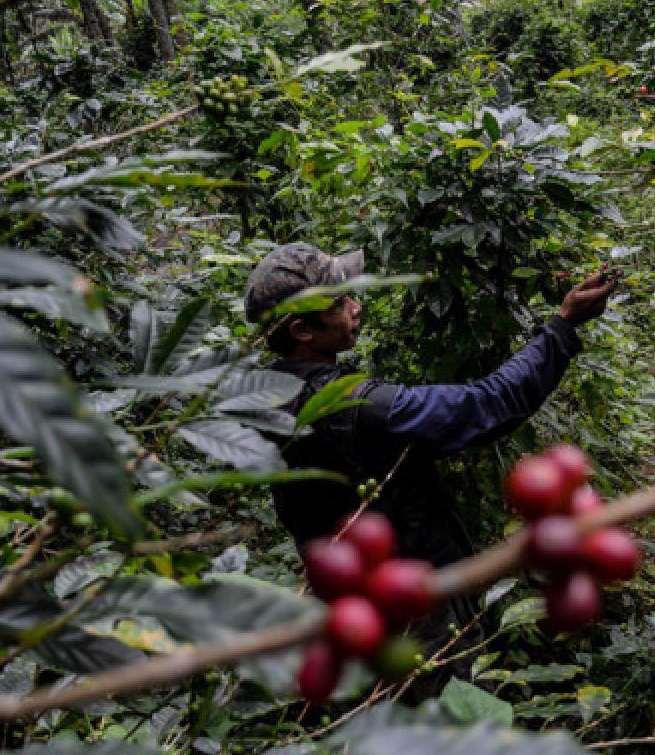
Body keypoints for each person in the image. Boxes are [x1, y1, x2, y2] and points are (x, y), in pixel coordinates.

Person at [242, 242, 618, 695]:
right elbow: (485, 406)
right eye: (342, 301)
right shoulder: (354, 408)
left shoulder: (261, 398)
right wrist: (563, 326)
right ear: (302, 329)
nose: (356, 305)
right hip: (411, 609)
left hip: (350, 607)